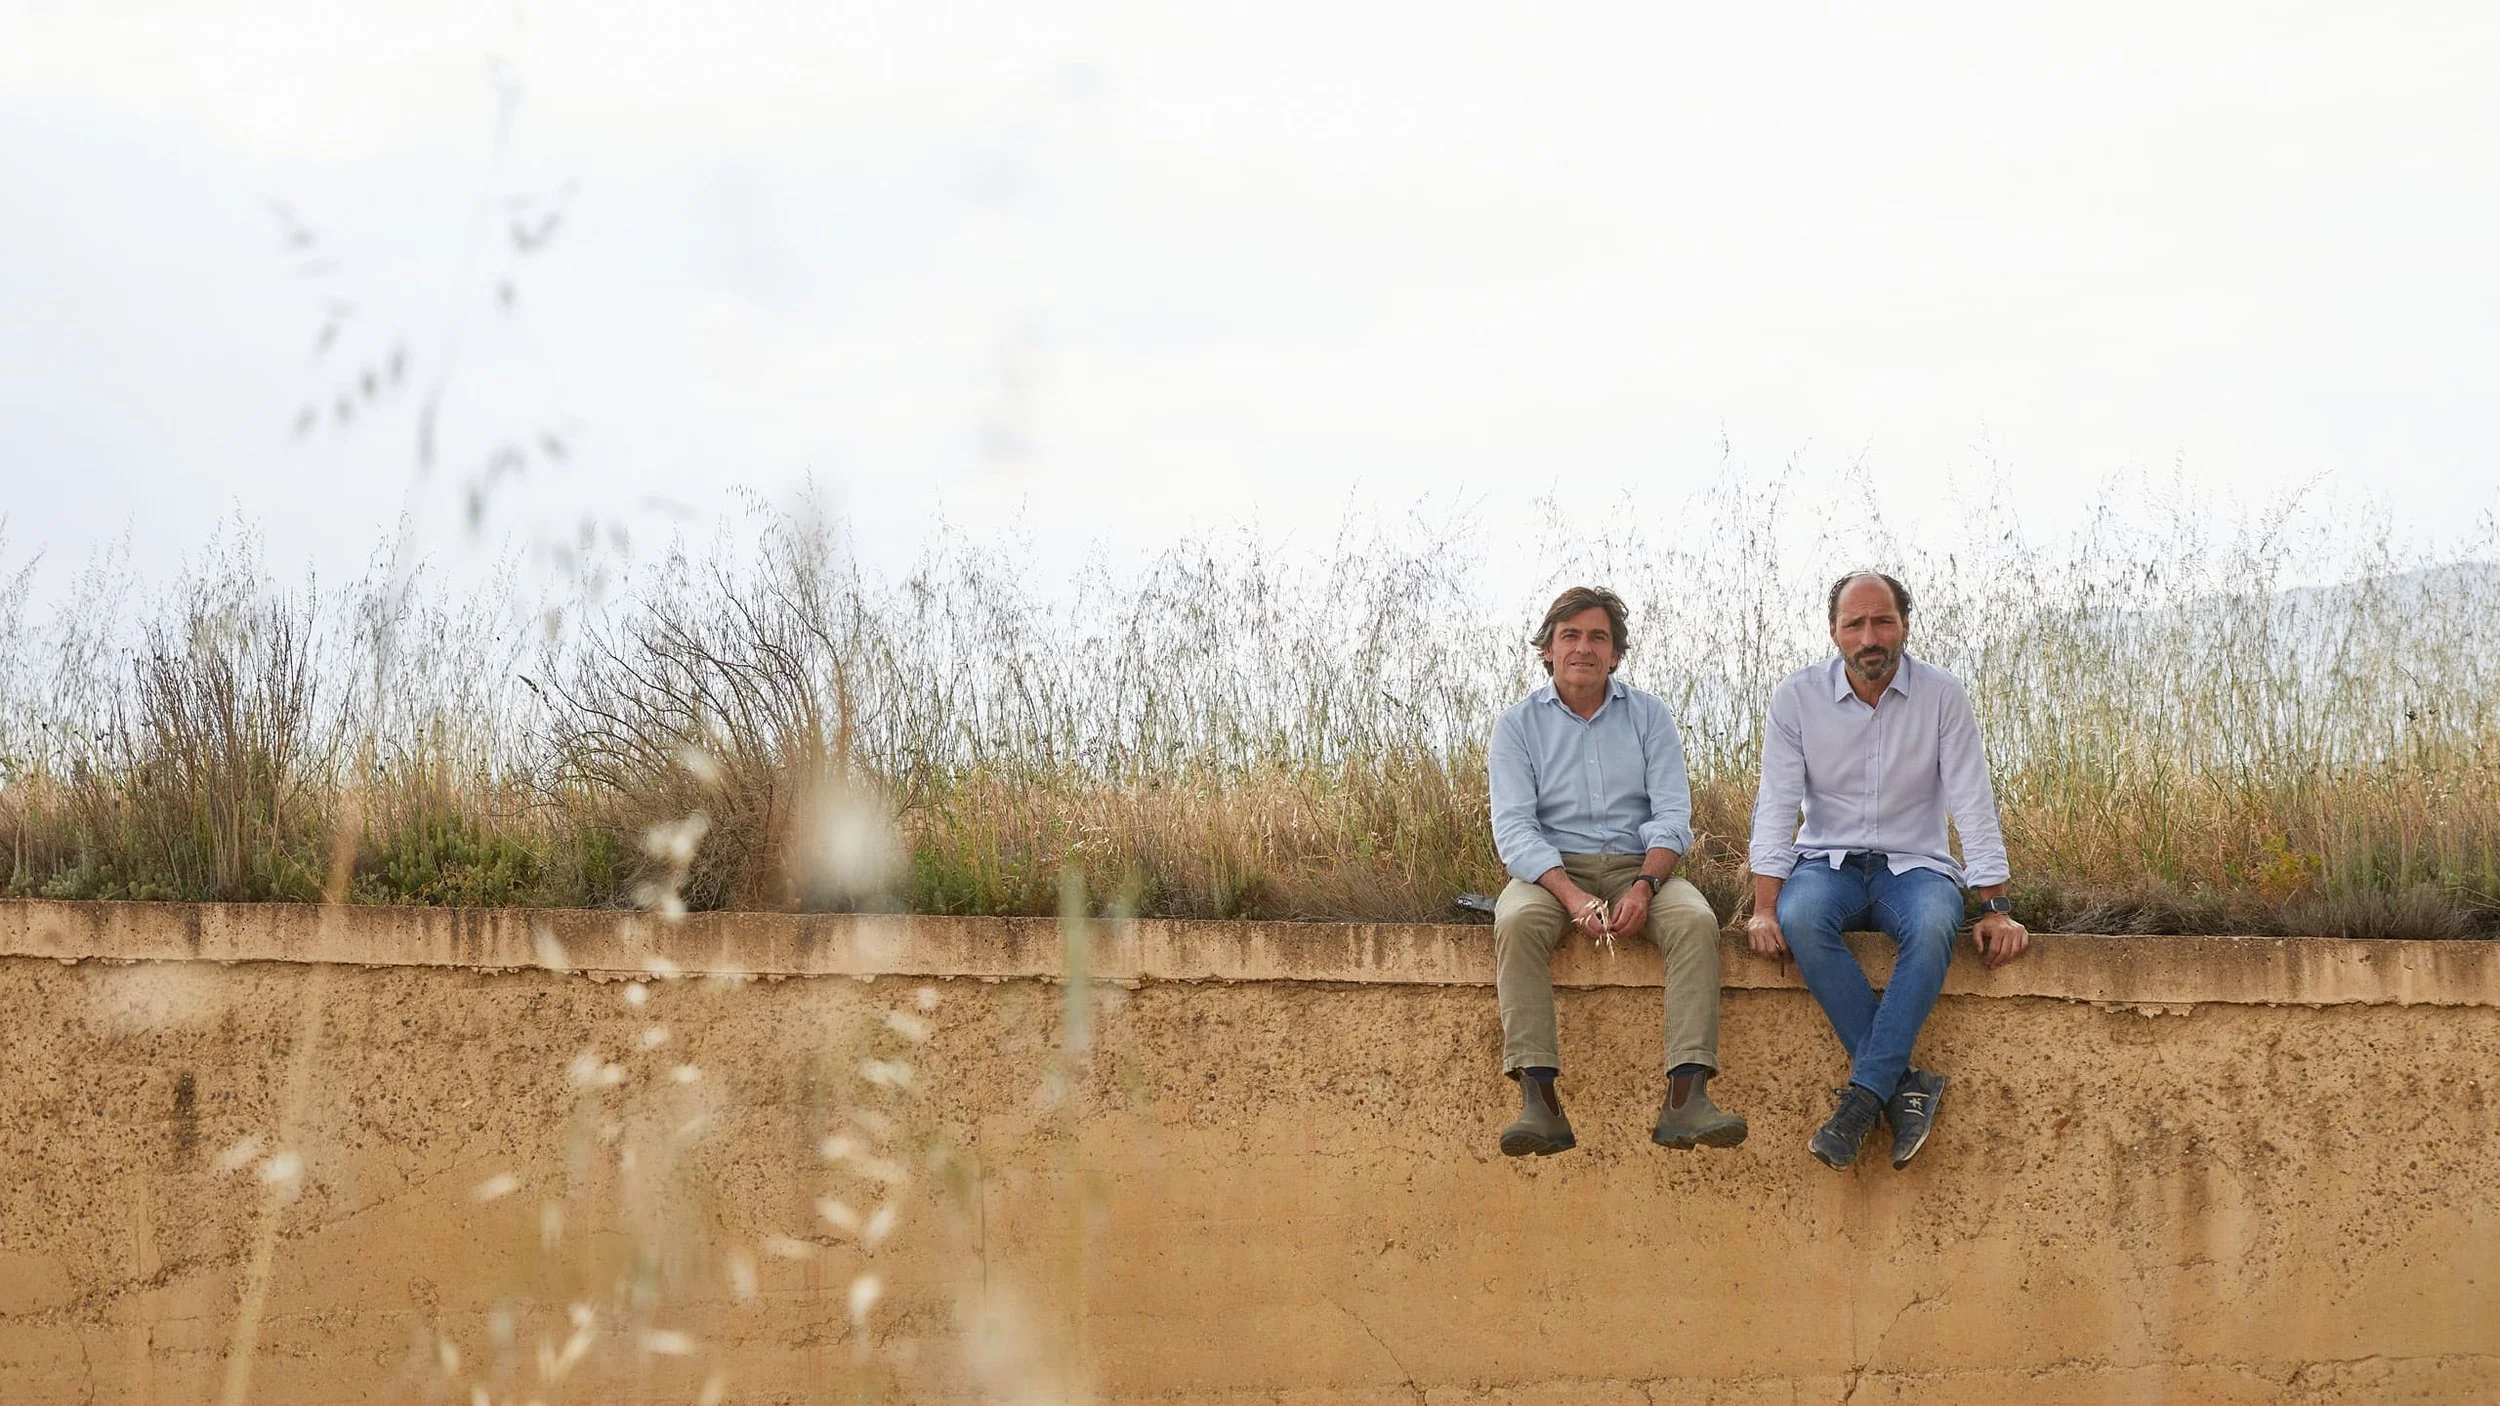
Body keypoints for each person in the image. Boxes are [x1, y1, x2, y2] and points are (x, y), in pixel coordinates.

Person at [1745, 571, 2030, 1172]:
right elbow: (1776, 803)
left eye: (1882, 622)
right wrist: (1765, 907)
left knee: (1932, 927)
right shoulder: (1797, 697)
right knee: (1801, 918)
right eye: (1855, 624)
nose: (1869, 637)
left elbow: (1972, 799)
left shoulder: (1942, 695)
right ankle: (1902, 1088)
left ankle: (1860, 1103)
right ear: (1834, 632)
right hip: (1827, 863)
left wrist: (1995, 907)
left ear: (1905, 625)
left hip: (1917, 867)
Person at [1486, 585, 1746, 1157]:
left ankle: (1686, 1099)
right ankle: (1539, 1103)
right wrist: (1571, 895)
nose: (1584, 648)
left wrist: (1646, 887)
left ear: (1616, 653)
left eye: (1598, 637)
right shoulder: (1516, 726)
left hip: (1640, 866)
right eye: (1570, 636)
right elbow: (1515, 830)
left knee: (1695, 921)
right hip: (1551, 874)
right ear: (1548, 649)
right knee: (1517, 922)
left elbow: (1672, 817)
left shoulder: (1650, 716)